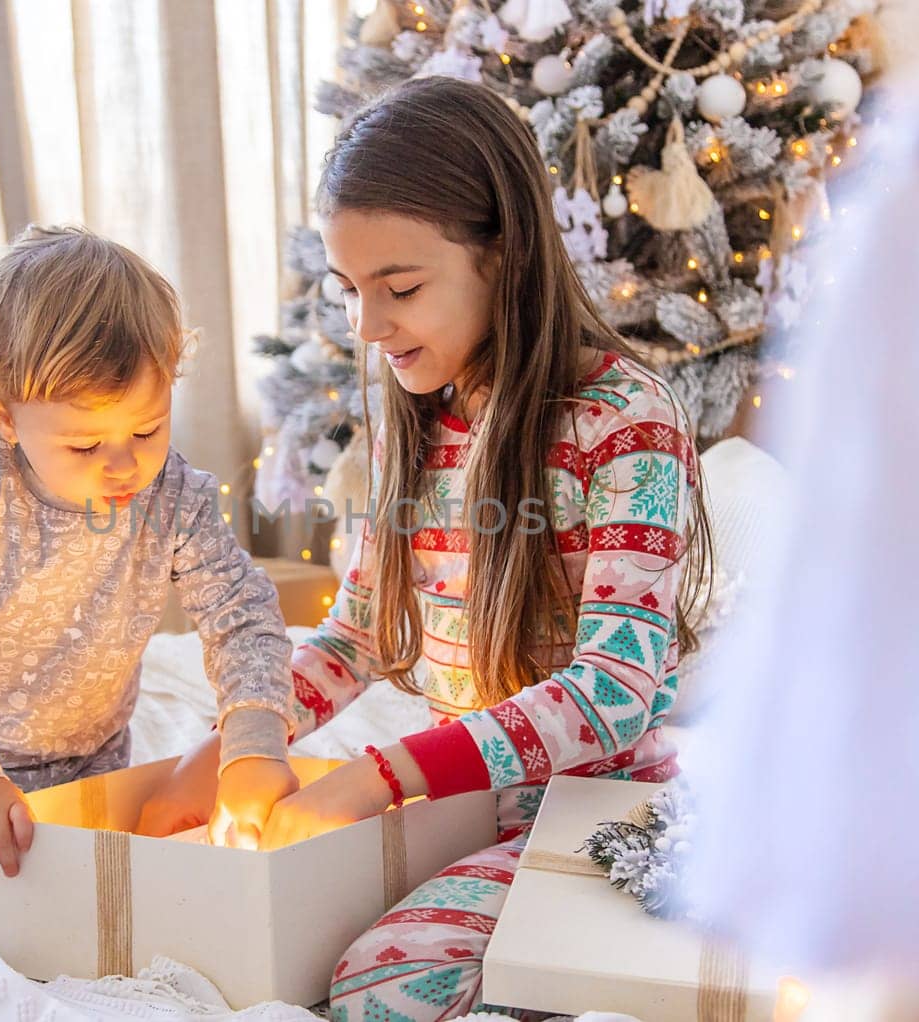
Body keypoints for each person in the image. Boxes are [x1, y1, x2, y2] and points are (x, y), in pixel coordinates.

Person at [140, 78, 713, 1018]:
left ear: (504, 256)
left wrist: (380, 776)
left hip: (603, 819)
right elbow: (358, 637)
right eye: (351, 291)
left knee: (382, 986)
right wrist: (239, 740)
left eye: (399, 288)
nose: (368, 327)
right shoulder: (425, 422)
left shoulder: (627, 423)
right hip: (465, 814)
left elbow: (616, 692)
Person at [0, 225, 298, 905]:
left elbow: (243, 617)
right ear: (4, 416)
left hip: (93, 754)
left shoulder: (175, 497)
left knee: (100, 910)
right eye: (83, 445)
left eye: (146, 430)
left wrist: (251, 741)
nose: (125, 463)